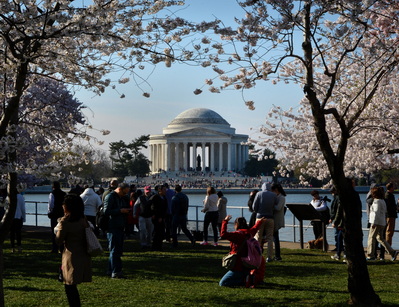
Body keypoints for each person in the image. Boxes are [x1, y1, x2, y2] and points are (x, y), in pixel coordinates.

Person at [55, 194, 92, 307]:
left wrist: (59, 226)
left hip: (70, 256)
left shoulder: (66, 222)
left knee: (69, 286)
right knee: (72, 286)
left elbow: (58, 240)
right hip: (83, 255)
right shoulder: (83, 220)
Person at [219, 215, 265, 287]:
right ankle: (247, 278)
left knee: (223, 283)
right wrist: (260, 222)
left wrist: (225, 221)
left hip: (237, 266)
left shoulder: (236, 235)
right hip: (247, 265)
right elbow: (255, 228)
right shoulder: (249, 233)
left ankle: (245, 281)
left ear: (236, 225)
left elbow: (223, 234)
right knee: (239, 275)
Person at [103, 182, 131, 278]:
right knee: (115, 250)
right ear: (119, 189)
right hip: (113, 226)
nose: (125, 195)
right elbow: (106, 211)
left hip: (119, 225)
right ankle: (116, 271)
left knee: (117, 250)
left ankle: (110, 270)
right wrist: (120, 211)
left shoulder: (121, 198)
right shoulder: (110, 197)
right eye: (124, 193)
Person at [366, 186, 399, 261]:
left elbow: (376, 212)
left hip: (376, 222)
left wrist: (374, 223)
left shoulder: (376, 201)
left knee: (371, 237)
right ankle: (392, 252)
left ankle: (370, 255)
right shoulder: (382, 201)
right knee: (380, 238)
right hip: (382, 222)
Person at [252, 182, 278, 262]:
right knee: (270, 238)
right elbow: (275, 205)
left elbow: (254, 206)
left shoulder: (259, 194)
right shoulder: (274, 195)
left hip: (260, 217)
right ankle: (269, 257)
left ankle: (257, 255)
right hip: (270, 217)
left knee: (258, 237)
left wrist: (258, 211)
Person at [48, 181, 66, 253]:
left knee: (54, 231)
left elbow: (51, 205)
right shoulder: (64, 194)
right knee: (61, 231)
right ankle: (61, 248)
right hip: (62, 214)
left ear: (53, 187)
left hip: (54, 214)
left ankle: (55, 248)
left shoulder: (52, 194)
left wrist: (49, 212)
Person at [151, 184, 168, 251]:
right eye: (164, 189)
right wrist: (156, 215)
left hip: (162, 217)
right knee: (156, 232)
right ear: (160, 190)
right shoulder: (155, 197)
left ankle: (159, 246)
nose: (165, 191)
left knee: (161, 232)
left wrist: (163, 217)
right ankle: (155, 246)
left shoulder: (164, 198)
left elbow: (165, 208)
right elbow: (153, 207)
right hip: (156, 217)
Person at [271, 183, 286, 261]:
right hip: (273, 218)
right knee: (274, 237)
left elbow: (278, 208)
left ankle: (277, 255)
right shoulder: (276, 197)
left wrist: (271, 204)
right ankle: (276, 255)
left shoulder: (281, 198)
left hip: (277, 219)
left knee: (275, 237)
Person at [329, 186, 344, 261]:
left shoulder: (337, 199)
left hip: (339, 221)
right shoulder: (336, 198)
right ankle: (339, 250)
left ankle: (339, 251)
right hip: (337, 220)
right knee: (339, 236)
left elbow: (337, 210)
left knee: (338, 236)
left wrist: (334, 220)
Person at [385, 182, 397, 247]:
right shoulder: (389, 196)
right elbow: (391, 206)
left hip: (390, 215)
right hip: (390, 215)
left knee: (389, 231)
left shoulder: (387, 195)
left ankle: (388, 246)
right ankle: (388, 246)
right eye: (393, 187)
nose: (394, 188)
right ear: (391, 188)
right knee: (389, 231)